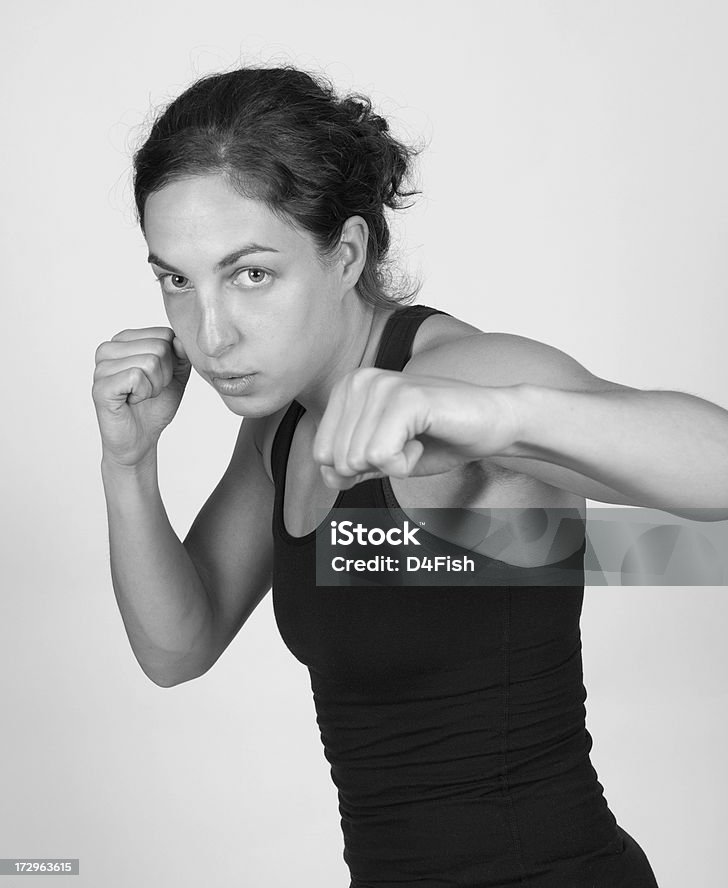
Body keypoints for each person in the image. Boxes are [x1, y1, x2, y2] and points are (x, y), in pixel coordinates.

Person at [92, 65, 728, 887]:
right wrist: (127, 463)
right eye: (178, 279)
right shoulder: (278, 428)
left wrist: (503, 417)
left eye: (251, 273)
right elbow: (179, 645)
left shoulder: (467, 373)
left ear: (347, 252)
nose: (210, 334)